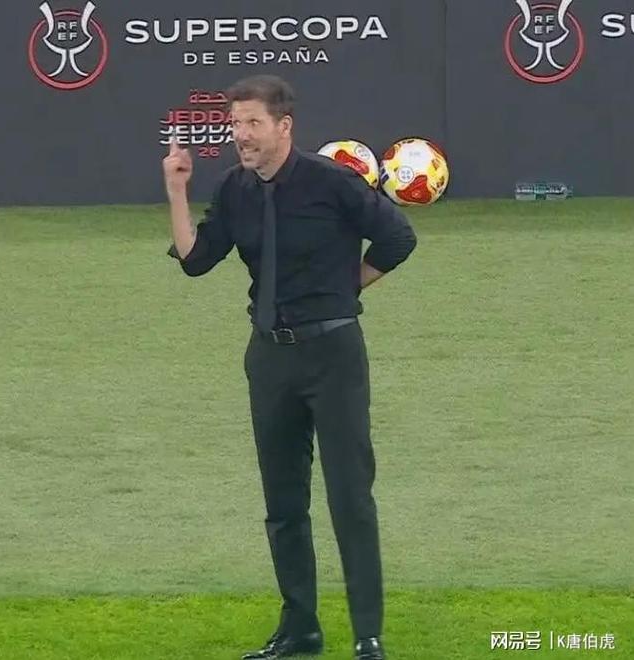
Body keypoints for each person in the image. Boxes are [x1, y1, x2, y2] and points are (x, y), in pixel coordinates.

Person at [163, 74, 416, 660]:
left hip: (333, 356)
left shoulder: (332, 182)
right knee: (283, 504)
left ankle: (367, 636)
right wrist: (176, 190)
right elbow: (196, 261)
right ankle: (300, 627)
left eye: (252, 123)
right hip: (269, 358)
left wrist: (346, 288)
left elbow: (397, 238)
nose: (241, 134)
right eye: (234, 124)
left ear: (284, 126)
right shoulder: (235, 189)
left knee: (350, 498)